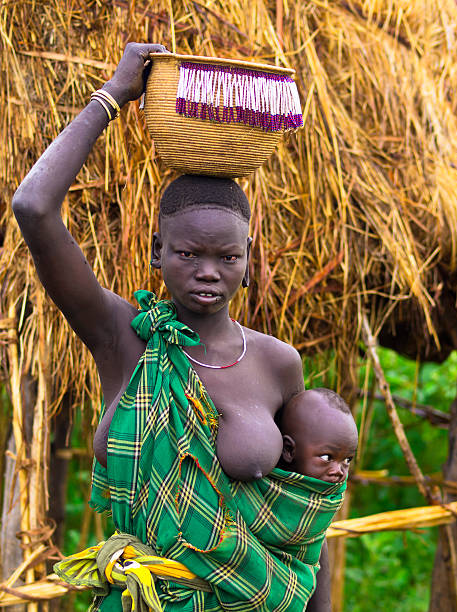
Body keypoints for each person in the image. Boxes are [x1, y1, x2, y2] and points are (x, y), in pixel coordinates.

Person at [13, 43, 331, 610]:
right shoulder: (123, 337)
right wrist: (111, 97)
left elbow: (306, 518)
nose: (209, 272)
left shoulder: (278, 364)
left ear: (249, 260)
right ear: (158, 252)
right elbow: (34, 207)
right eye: (188, 254)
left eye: (227, 258)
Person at [279, 388, 358, 483]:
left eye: (347, 460)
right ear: (289, 450)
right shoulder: (262, 491)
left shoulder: (333, 495)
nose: (339, 471)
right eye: (327, 457)